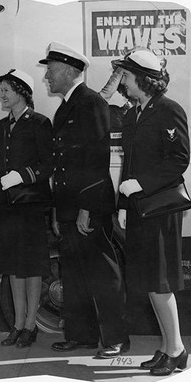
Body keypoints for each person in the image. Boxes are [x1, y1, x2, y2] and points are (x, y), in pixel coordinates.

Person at [39, 42, 129, 358]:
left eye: (50, 71)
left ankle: (116, 339)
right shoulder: (67, 106)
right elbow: (61, 164)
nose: (47, 76)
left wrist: (86, 208)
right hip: (69, 206)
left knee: (103, 273)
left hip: (88, 206)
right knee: (74, 273)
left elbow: (96, 158)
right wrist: (58, 210)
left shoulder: (90, 103)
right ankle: (82, 335)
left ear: (68, 71)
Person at [112, 49, 190, 376]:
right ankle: (165, 347)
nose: (123, 83)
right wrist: (123, 205)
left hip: (159, 207)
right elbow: (127, 164)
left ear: (143, 79)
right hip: (139, 208)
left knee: (160, 282)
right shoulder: (134, 114)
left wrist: (139, 185)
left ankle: (176, 349)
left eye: (126, 77)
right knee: (149, 281)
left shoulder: (169, 111)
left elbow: (178, 160)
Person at [0, 69, 53, 348]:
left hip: (29, 205)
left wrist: (23, 176)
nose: (1, 95)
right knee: (12, 267)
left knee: (31, 267)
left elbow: (48, 165)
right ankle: (17, 324)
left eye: (5, 91)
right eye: (1, 90)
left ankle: (30, 325)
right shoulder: (2, 126)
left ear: (22, 93)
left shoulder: (39, 123)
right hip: (5, 207)